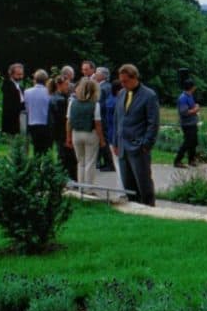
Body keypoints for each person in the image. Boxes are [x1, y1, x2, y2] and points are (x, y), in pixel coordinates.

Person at [112, 64, 160, 206]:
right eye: (121, 81)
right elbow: (117, 119)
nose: (122, 84)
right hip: (122, 147)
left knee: (143, 184)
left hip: (138, 147)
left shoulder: (149, 95)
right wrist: (115, 142)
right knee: (128, 185)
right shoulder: (121, 94)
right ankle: (133, 209)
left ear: (135, 78)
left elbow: (153, 123)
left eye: (125, 81)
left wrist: (146, 144)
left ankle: (149, 209)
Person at [66, 78, 105, 184]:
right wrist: (102, 140)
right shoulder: (95, 104)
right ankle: (88, 187)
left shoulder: (72, 103)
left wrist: (68, 137)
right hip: (90, 133)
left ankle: (81, 186)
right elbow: (98, 124)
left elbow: (69, 121)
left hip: (76, 134)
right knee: (90, 161)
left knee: (80, 162)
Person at [48, 75, 77, 181]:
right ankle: (69, 178)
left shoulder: (54, 97)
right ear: (59, 85)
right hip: (62, 132)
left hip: (58, 132)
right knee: (67, 157)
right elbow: (63, 119)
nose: (68, 87)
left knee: (64, 156)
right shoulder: (60, 100)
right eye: (66, 85)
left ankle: (65, 177)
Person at [24, 70, 53, 155]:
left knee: (36, 148)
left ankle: (36, 164)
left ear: (35, 79)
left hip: (32, 122)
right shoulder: (49, 92)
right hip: (45, 123)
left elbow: (26, 108)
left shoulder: (27, 92)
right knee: (46, 148)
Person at [174, 79, 200, 168]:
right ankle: (177, 160)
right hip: (187, 124)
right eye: (194, 86)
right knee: (187, 142)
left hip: (192, 122)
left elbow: (191, 106)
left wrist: (195, 106)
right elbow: (184, 112)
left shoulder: (190, 96)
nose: (195, 88)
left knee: (194, 142)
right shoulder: (183, 98)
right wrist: (195, 110)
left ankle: (191, 159)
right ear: (191, 88)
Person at [95, 67, 114, 171]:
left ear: (103, 75)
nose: (95, 75)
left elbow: (101, 104)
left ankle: (109, 163)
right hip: (104, 118)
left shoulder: (102, 88)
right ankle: (105, 163)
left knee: (103, 141)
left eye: (97, 73)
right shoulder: (107, 86)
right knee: (102, 141)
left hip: (102, 118)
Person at [1, 63, 24, 135]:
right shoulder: (8, 85)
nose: (21, 77)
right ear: (11, 74)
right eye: (18, 74)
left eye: (21, 74)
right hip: (12, 118)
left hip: (19, 116)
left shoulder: (19, 86)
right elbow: (11, 104)